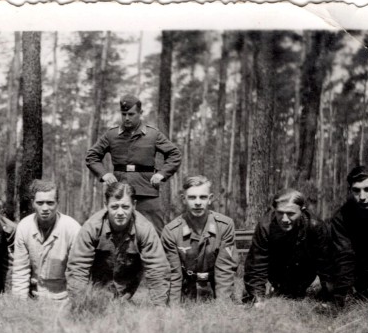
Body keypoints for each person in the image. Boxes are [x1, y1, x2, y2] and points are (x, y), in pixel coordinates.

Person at [85, 94, 182, 232]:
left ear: (140, 113)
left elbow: (175, 154)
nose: (127, 118)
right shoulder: (112, 135)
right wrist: (104, 174)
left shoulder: (152, 135)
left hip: (146, 190)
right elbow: (91, 156)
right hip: (120, 191)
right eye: (124, 114)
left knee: (154, 230)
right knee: (117, 230)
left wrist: (162, 174)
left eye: (131, 114)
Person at [65, 182, 170, 305]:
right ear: (106, 206)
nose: (120, 213)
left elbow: (157, 269)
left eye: (125, 207)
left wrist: (160, 307)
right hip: (95, 290)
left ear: (134, 205)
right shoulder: (91, 228)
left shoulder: (145, 229)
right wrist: (78, 304)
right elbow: (78, 268)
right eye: (115, 207)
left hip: (127, 292)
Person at [243, 188, 335, 305]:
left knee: (302, 297)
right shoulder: (265, 226)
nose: (285, 219)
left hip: (304, 271)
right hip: (276, 272)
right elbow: (257, 266)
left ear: (302, 210)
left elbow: (327, 267)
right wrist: (257, 299)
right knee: (257, 299)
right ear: (274, 210)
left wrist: (329, 297)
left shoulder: (316, 226)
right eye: (280, 213)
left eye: (291, 214)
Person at [161, 176, 238, 303]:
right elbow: (174, 274)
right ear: (183, 199)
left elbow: (224, 270)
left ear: (210, 199)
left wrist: (223, 306)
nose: (198, 202)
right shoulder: (171, 231)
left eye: (203, 197)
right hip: (186, 286)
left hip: (216, 284)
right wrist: (173, 308)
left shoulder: (224, 225)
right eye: (192, 197)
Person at [11, 179, 81, 300]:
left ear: (57, 203)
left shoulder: (72, 228)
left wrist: (74, 303)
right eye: (40, 203)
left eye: (50, 203)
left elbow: (77, 272)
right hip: (33, 296)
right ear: (33, 203)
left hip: (64, 297)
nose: (45, 208)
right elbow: (20, 271)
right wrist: (19, 305)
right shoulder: (24, 226)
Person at [329, 166, 368, 303]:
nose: (362, 197)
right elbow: (344, 257)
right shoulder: (341, 217)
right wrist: (340, 298)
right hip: (359, 273)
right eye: (356, 190)